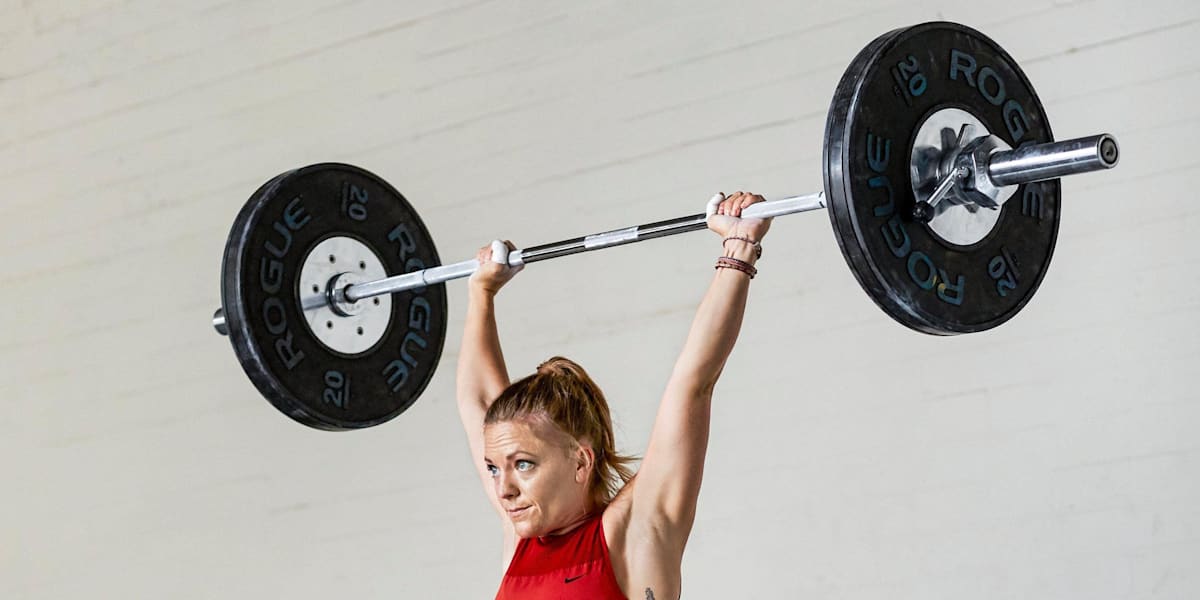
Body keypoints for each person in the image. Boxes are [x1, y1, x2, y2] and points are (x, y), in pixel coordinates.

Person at [456, 191, 772, 600]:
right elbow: (478, 403)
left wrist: (740, 246)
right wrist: (481, 293)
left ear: (580, 460)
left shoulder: (634, 530)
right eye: (495, 468)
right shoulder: (522, 536)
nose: (503, 489)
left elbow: (693, 386)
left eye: (523, 464)